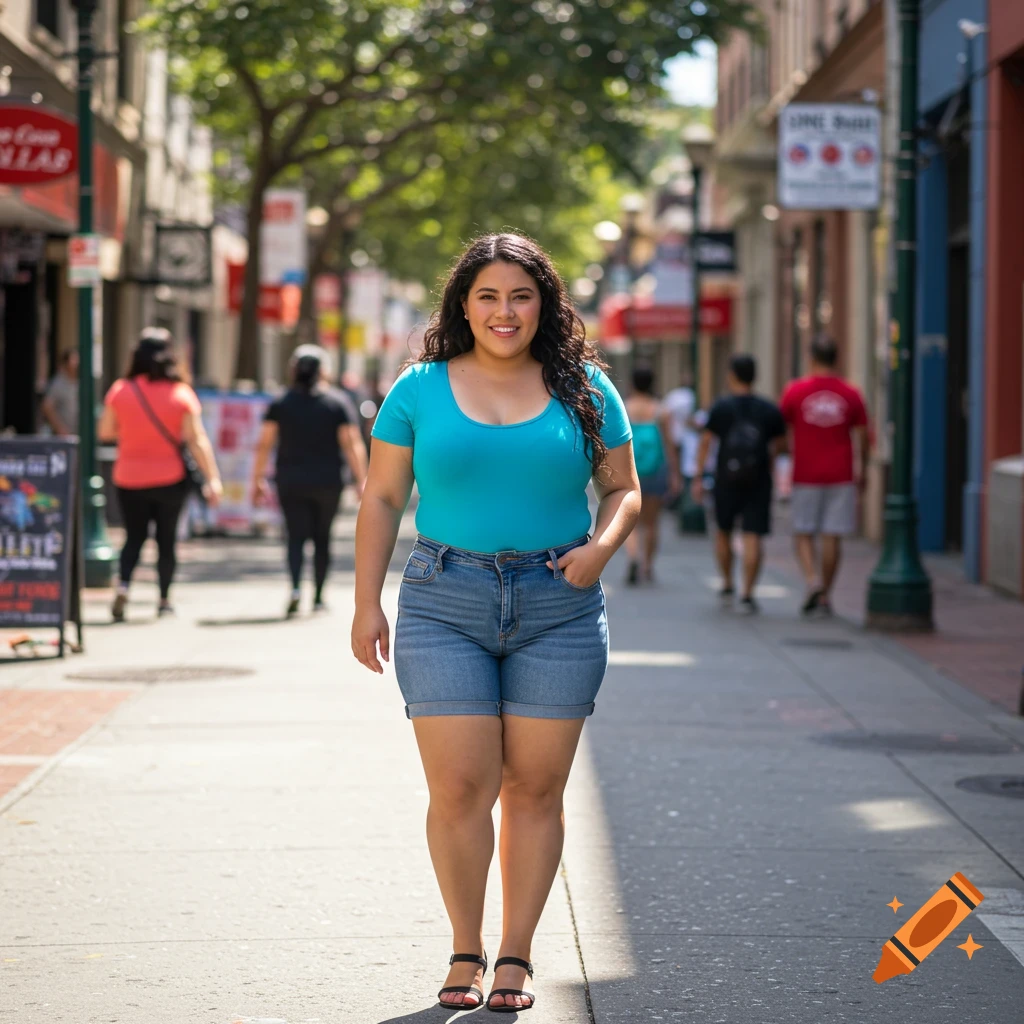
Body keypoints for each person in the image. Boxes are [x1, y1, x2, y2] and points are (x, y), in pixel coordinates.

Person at [351, 234, 641, 1012]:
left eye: (521, 295)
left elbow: (624, 489)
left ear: (543, 303)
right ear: (463, 304)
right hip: (444, 600)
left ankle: (515, 954)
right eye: (488, 296)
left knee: (535, 789)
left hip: (561, 606)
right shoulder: (418, 388)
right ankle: (464, 947)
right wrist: (364, 601)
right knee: (459, 787)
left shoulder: (585, 386)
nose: (504, 311)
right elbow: (381, 498)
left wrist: (600, 551)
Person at [98, 328, 222, 621]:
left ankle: (125, 585)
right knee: (166, 541)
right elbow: (197, 439)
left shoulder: (120, 390)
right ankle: (164, 599)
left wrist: (132, 431)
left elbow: (105, 432)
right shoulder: (181, 394)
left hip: (128, 477)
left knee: (134, 537)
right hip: (170, 478)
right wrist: (212, 478)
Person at [251, 345, 369, 617]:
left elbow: (265, 444)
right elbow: (352, 445)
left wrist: (257, 479)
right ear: (323, 371)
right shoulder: (337, 402)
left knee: (294, 536)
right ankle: (317, 597)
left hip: (290, 480)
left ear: (294, 370)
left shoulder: (281, 402)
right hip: (328, 481)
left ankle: (294, 588)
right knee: (322, 538)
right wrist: (361, 480)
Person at [780, 335, 868, 616]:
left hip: (805, 472)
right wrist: (862, 467)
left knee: (803, 531)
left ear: (811, 358)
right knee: (833, 534)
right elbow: (864, 434)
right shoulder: (850, 393)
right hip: (841, 473)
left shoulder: (795, 391)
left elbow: (781, 432)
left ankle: (811, 580)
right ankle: (826, 595)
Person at [693, 354, 785, 614]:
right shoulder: (768, 409)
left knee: (723, 531)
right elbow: (779, 444)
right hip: (759, 479)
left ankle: (727, 582)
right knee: (753, 534)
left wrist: (699, 476)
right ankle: (748, 592)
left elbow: (706, 442)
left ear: (732, 375)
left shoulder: (721, 407)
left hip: (726, 477)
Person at [623, 366, 681, 584]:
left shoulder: (624, 408)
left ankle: (633, 558)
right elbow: (669, 444)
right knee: (652, 522)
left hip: (630, 470)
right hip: (655, 470)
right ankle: (647, 566)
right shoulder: (661, 411)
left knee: (632, 522)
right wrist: (675, 474)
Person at [40, 350, 79, 436]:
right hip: (62, 436)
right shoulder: (58, 383)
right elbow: (47, 407)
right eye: (73, 360)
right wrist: (60, 429)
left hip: (79, 434)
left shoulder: (82, 382)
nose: (76, 363)